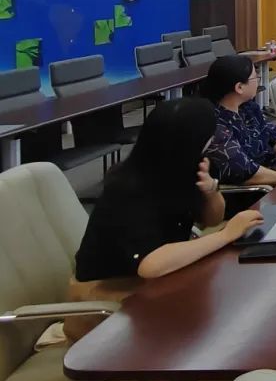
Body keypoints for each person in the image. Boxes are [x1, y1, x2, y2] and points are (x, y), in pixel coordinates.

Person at [67, 98, 262, 339]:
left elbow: (212, 219)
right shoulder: (127, 190)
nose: (214, 140)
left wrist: (211, 190)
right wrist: (225, 235)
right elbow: (151, 264)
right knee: (217, 326)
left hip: (156, 280)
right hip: (106, 298)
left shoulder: (186, 163)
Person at [203, 55, 276, 187]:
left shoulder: (247, 107)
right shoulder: (216, 125)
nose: (258, 81)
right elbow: (243, 170)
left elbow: (273, 131)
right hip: (257, 190)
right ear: (239, 87)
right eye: (255, 77)